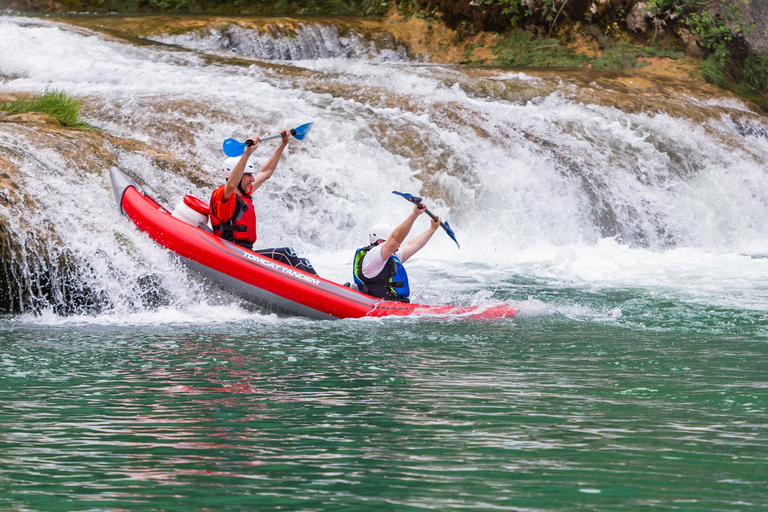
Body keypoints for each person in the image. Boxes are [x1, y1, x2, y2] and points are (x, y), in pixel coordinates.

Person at [209, 130, 317, 275]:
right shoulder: (223, 196)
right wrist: (247, 153)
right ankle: (324, 293)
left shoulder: (244, 194)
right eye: (248, 175)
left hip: (245, 253)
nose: (252, 179)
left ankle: (335, 290)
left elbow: (266, 172)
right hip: (232, 253)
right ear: (237, 176)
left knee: (302, 261)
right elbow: (231, 185)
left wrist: (283, 144)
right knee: (285, 254)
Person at [352, 201, 440, 302]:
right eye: (390, 241)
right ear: (380, 241)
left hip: (392, 307)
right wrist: (414, 214)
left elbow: (413, 245)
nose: (398, 245)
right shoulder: (374, 256)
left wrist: (432, 229)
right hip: (376, 309)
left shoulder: (389, 255)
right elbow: (395, 239)